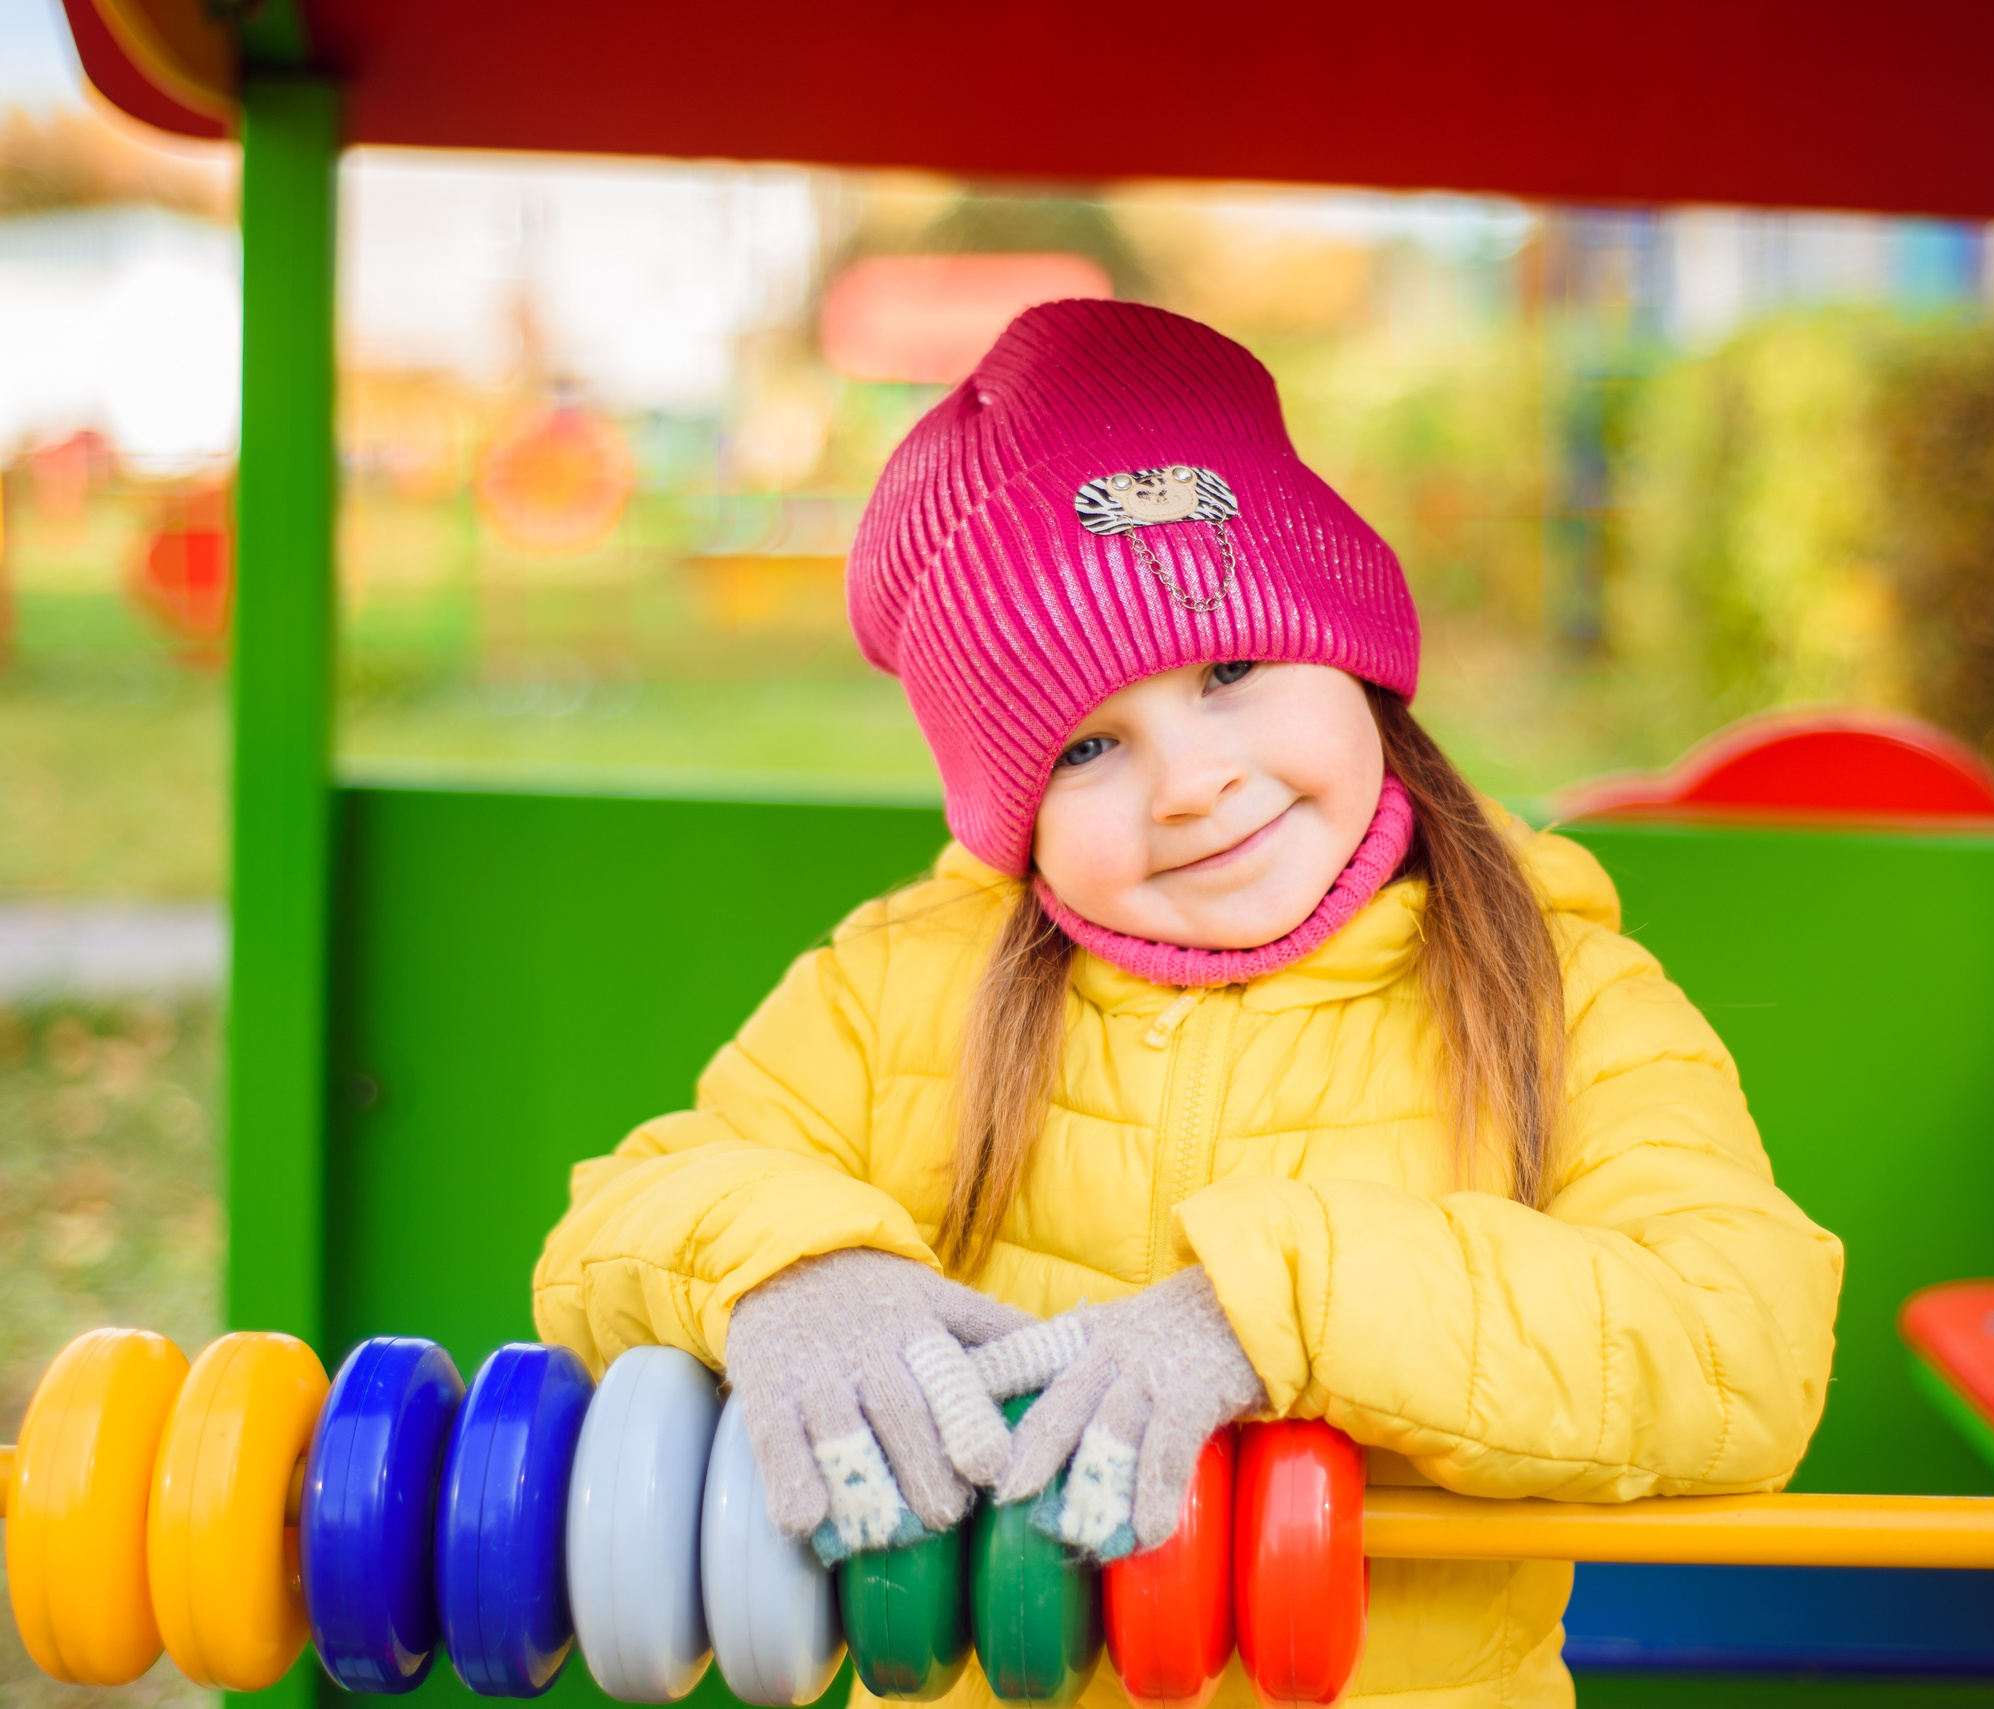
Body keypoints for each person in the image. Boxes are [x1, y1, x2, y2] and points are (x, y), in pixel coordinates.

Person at [534, 299, 1842, 1708]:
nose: (1194, 782)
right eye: (1091, 743)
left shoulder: (1558, 988)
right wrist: (786, 1274)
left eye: (1231, 671)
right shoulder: (903, 984)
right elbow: (608, 1229)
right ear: (1009, 811)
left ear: (1352, 650)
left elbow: (1743, 1344)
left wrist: (1279, 1306)